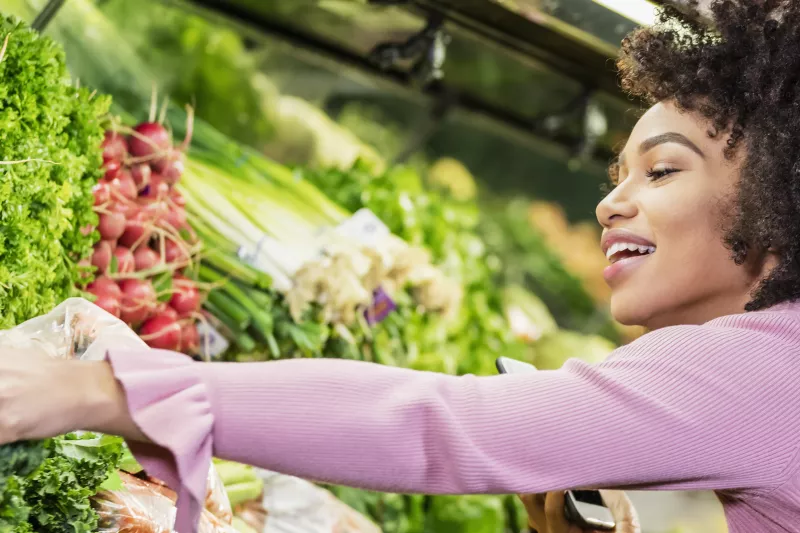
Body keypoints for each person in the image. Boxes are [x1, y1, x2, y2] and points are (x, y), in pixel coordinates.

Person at [3, 1, 800, 532]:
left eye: (661, 171)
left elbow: (439, 424)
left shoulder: (763, 368)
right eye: (614, 174)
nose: (611, 204)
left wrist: (96, 390)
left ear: (776, 197)